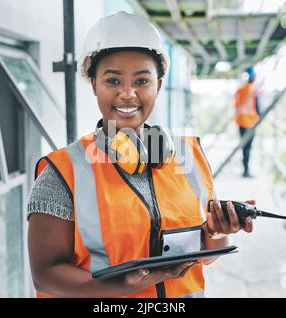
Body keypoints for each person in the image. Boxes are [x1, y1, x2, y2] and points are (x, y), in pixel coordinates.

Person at [27, 11, 255, 298]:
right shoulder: (62, 172)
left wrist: (217, 231)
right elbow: (45, 275)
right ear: (94, 84)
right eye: (112, 81)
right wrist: (122, 286)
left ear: (158, 85)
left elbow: (207, 254)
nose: (127, 94)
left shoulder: (190, 159)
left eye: (141, 81)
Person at [234, 67, 261, 178]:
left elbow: (237, 105)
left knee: (244, 147)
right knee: (248, 148)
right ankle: (246, 171)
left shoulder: (240, 90)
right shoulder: (254, 91)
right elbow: (258, 108)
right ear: (253, 77)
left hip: (241, 121)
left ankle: (245, 170)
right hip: (250, 123)